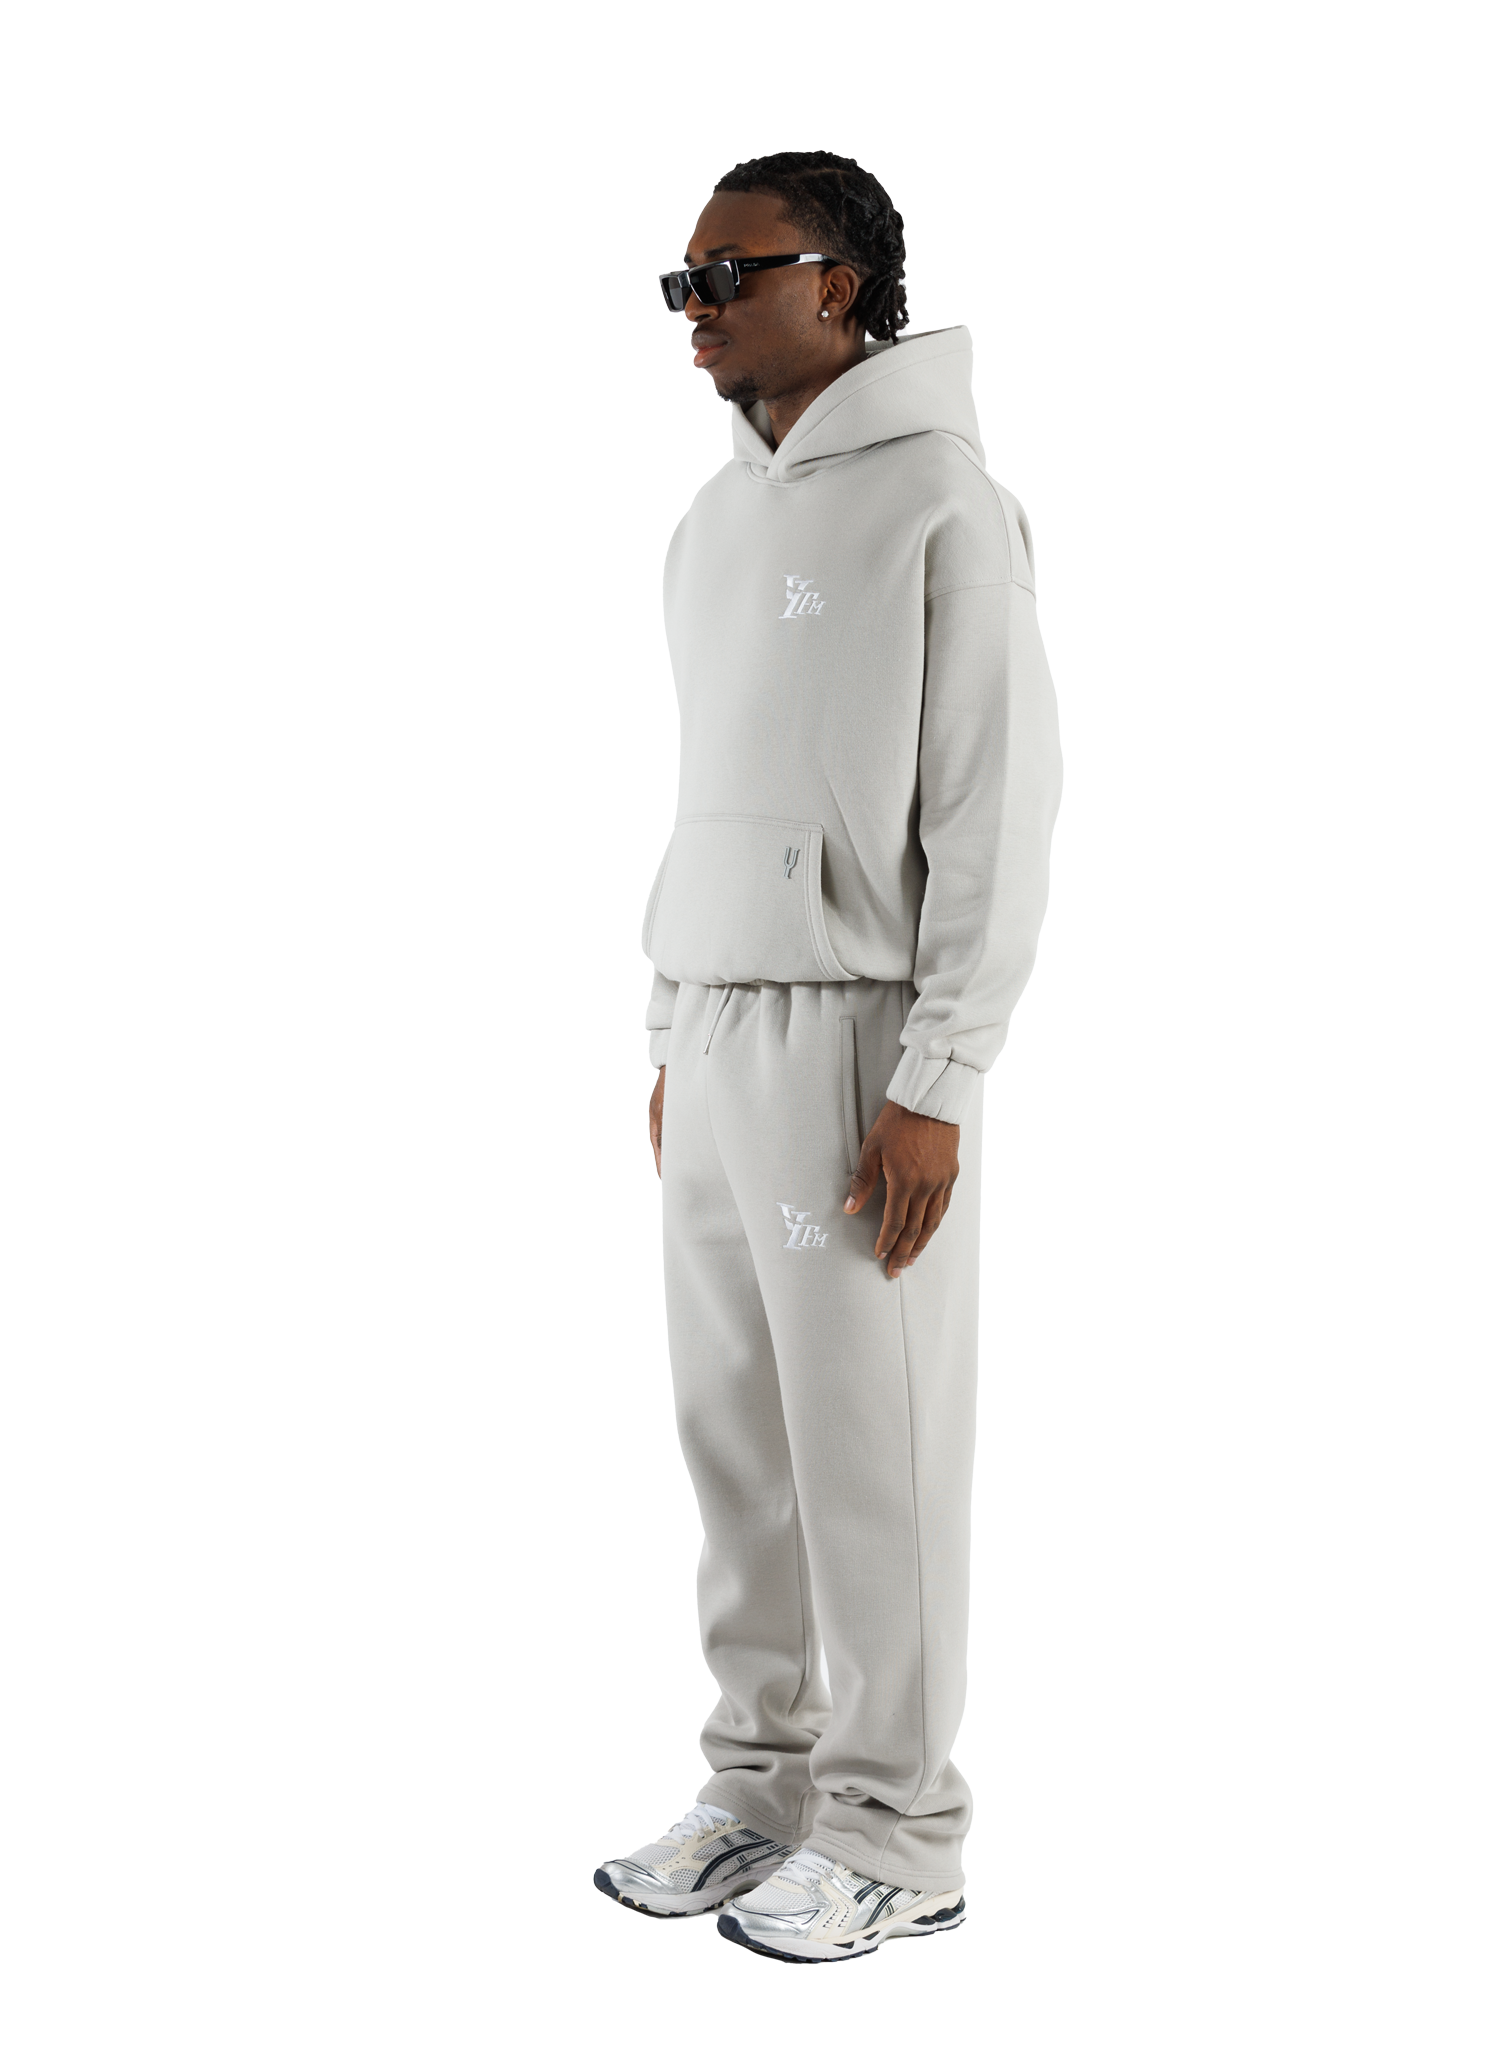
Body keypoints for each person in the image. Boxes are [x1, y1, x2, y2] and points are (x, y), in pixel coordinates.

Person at [594, 151, 1062, 1964]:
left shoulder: (945, 501)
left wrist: (940, 1077)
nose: (695, 310)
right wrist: (669, 1025)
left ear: (839, 283)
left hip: (859, 1037)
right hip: (717, 1024)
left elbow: (994, 811)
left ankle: (898, 1826)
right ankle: (763, 1784)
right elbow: (710, 788)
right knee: (734, 1434)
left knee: (871, 1440)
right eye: (680, 282)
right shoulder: (709, 524)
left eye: (729, 274)